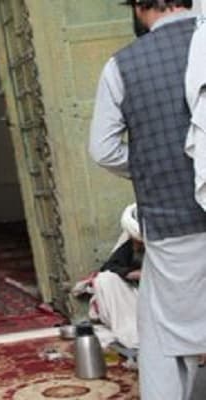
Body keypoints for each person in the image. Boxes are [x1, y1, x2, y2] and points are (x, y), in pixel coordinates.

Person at [88, 1, 206, 398]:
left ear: (139, 7)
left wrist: (151, 165)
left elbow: (103, 150)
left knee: (163, 336)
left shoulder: (122, 65)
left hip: (173, 220)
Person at [88, 204, 144, 350]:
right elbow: (110, 266)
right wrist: (133, 273)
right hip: (142, 293)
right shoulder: (132, 244)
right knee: (105, 279)